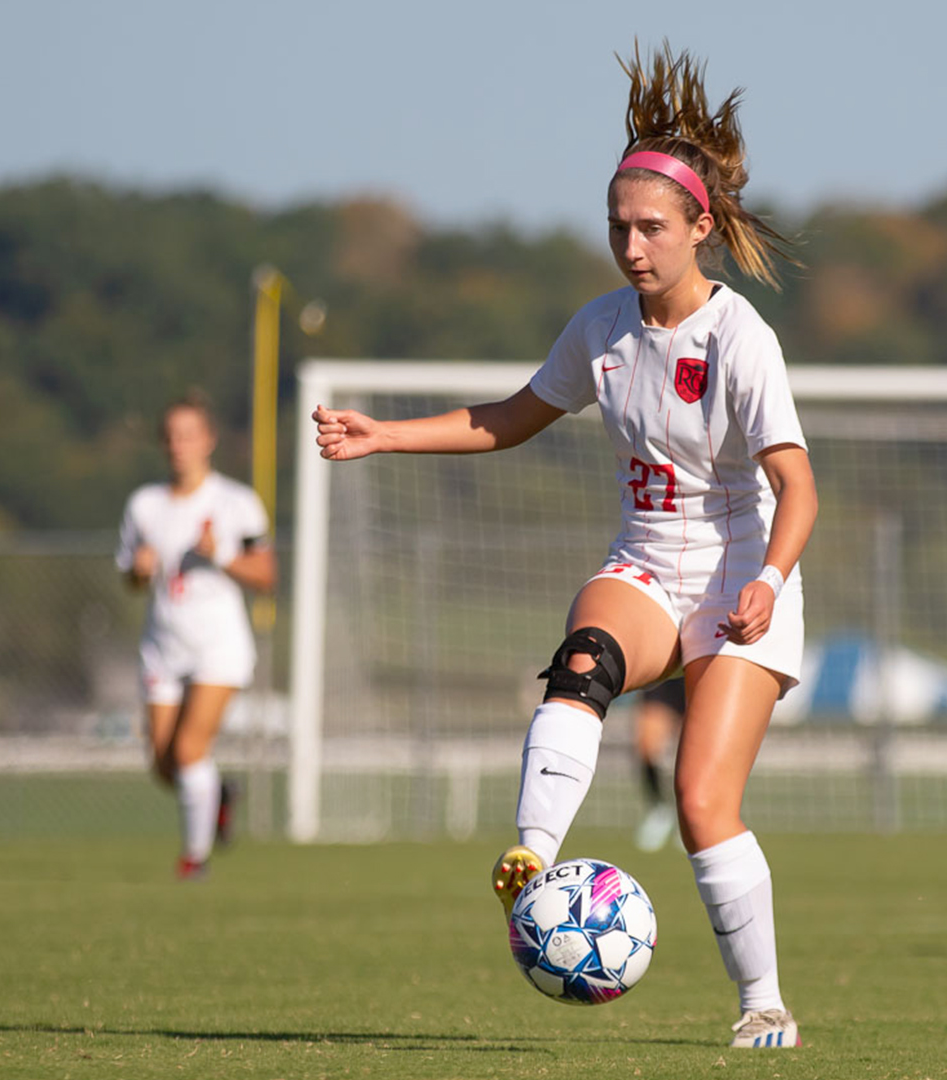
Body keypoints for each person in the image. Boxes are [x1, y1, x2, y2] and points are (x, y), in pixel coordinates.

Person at [314, 45, 816, 1049]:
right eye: (618, 227)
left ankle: (765, 1002)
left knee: (701, 801)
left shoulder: (740, 339)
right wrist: (387, 434)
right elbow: (509, 417)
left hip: (738, 576)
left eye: (650, 229)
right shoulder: (601, 329)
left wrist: (767, 579)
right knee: (580, 665)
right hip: (645, 559)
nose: (631, 247)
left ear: (698, 227)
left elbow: (798, 486)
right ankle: (532, 860)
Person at [116, 396, 276, 880]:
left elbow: (266, 573)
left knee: (189, 753)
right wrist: (140, 573)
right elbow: (132, 577)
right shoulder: (144, 504)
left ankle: (195, 860)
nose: (178, 445)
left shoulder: (235, 501)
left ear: (208, 440)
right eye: (171, 435)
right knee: (166, 767)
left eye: (188, 434)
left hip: (218, 646)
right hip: (163, 645)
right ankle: (220, 797)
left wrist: (220, 553)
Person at [632, 677, 685, 852]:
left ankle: (687, 816)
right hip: (666, 672)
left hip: (701, 668)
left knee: (691, 751)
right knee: (647, 746)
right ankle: (659, 808)